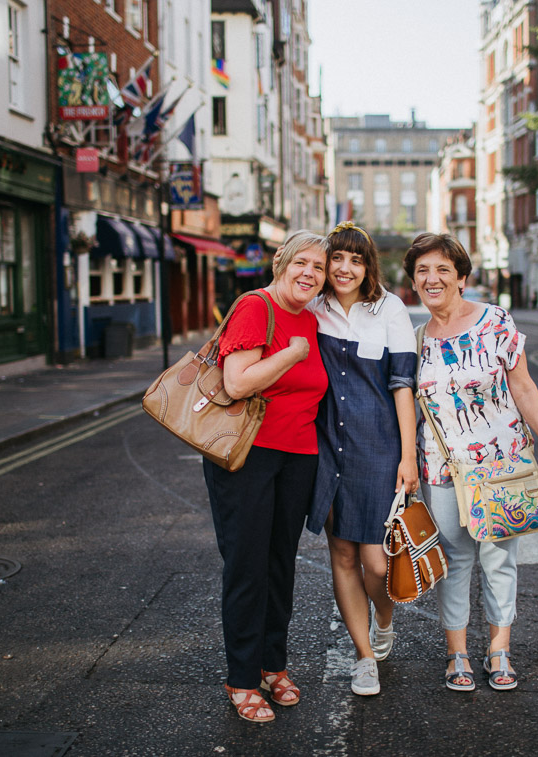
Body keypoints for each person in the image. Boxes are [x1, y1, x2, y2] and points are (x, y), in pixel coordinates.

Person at [404, 232, 538, 693]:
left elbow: (523, 386)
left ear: (461, 277)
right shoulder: (417, 340)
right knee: (453, 562)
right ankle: (457, 654)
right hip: (442, 469)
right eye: (422, 272)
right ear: (414, 281)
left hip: (503, 465)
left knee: (499, 560)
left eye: (442, 270)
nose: (432, 279)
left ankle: (499, 650)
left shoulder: (495, 321)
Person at [203, 230, 329, 723]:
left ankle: (273, 666)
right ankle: (242, 677)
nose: (309, 274)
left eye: (318, 268)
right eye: (302, 262)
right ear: (280, 262)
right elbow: (236, 383)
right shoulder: (257, 307)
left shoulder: (311, 319)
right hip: (247, 456)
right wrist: (291, 354)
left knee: (280, 565)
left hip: (298, 457)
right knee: (247, 565)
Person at [306, 221, 418, 697]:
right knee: (343, 555)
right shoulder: (313, 309)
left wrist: (408, 456)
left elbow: (402, 386)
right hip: (328, 447)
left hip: (379, 449)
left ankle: (384, 622)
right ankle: (364, 657)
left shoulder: (389, 308)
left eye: (355, 259)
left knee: (378, 562)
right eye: (337, 258)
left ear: (368, 265)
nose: (345, 267)